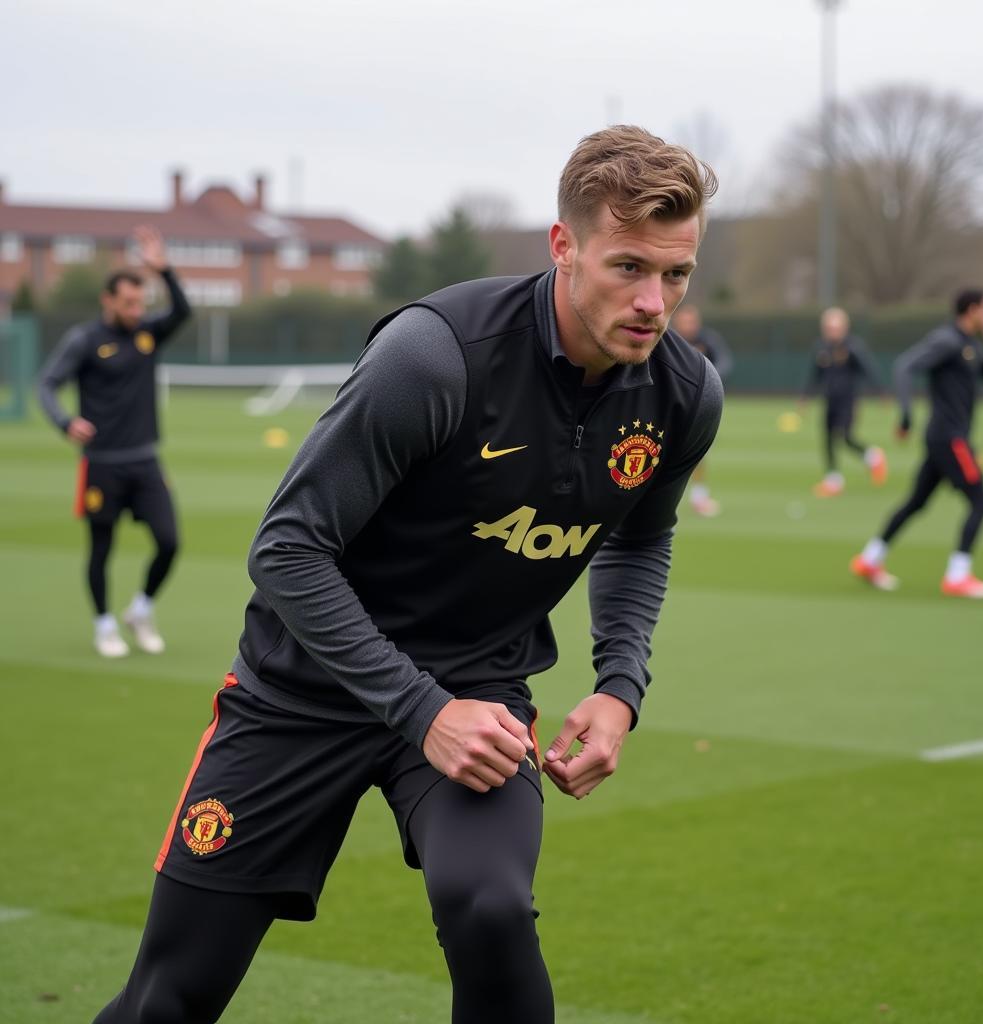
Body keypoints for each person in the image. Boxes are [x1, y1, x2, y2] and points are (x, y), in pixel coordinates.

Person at [91, 126, 723, 1024]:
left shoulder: (684, 395)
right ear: (562, 245)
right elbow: (286, 549)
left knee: (491, 908)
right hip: (303, 690)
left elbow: (639, 539)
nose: (654, 302)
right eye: (628, 267)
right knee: (170, 998)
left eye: (677, 274)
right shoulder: (436, 356)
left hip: (479, 688)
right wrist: (421, 711)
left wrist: (620, 686)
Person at [38, 226, 191, 657]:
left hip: (145, 460)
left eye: (141, 302)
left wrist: (165, 271)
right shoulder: (84, 341)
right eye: (128, 302)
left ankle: (140, 610)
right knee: (101, 548)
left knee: (169, 541)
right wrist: (65, 422)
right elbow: (47, 384)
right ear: (108, 300)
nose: (136, 309)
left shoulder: (148, 334)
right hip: (101, 463)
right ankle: (104, 625)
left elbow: (182, 311)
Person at [850, 288, 983, 597]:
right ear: (972, 309)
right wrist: (906, 415)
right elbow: (905, 366)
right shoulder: (947, 340)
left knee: (916, 502)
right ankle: (957, 576)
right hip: (950, 439)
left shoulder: (968, 343)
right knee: (981, 501)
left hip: (945, 439)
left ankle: (869, 560)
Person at [800, 306, 887, 497]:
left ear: (844, 328)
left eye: (835, 327)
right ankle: (833, 480)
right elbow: (814, 376)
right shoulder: (821, 348)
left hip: (848, 401)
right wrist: (805, 398)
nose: (832, 331)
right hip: (829, 400)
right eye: (828, 327)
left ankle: (873, 457)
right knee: (828, 438)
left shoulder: (852, 347)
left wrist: (880, 392)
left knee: (846, 437)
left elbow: (868, 369)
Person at [673, 303, 732, 516]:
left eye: (692, 321)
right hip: (669, 402)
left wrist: (710, 378)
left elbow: (725, 362)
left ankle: (699, 496)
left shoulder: (708, 339)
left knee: (696, 450)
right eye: (685, 321)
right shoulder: (668, 339)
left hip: (697, 404)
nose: (689, 326)